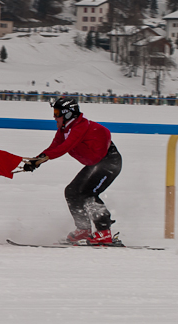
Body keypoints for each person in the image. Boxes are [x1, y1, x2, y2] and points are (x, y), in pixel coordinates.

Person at [23, 97, 122, 245]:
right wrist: (36, 160)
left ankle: (104, 232)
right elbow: (55, 146)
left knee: (88, 194)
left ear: (68, 114)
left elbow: (65, 147)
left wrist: (43, 159)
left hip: (109, 162)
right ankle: (83, 229)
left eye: (57, 113)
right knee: (71, 191)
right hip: (95, 164)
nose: (54, 117)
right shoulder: (64, 129)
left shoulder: (79, 127)